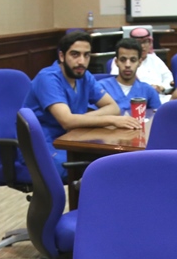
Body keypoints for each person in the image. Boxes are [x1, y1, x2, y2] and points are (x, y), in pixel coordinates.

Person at [22, 31, 139, 178]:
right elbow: (66, 121)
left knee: (112, 162)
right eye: (75, 54)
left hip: (72, 140)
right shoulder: (48, 78)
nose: (81, 61)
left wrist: (80, 118)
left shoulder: (84, 76)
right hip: (43, 146)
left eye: (86, 55)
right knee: (93, 168)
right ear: (62, 56)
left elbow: (113, 107)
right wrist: (112, 120)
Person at [98, 38, 162, 115]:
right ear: (116, 62)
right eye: (123, 60)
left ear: (139, 62)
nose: (127, 65)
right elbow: (92, 116)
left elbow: (158, 117)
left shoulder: (148, 90)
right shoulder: (101, 88)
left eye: (133, 60)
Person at [110, 26, 174, 93]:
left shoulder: (155, 59)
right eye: (139, 42)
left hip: (159, 95)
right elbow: (117, 83)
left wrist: (161, 88)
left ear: (150, 43)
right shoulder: (122, 60)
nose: (142, 46)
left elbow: (169, 80)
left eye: (145, 42)